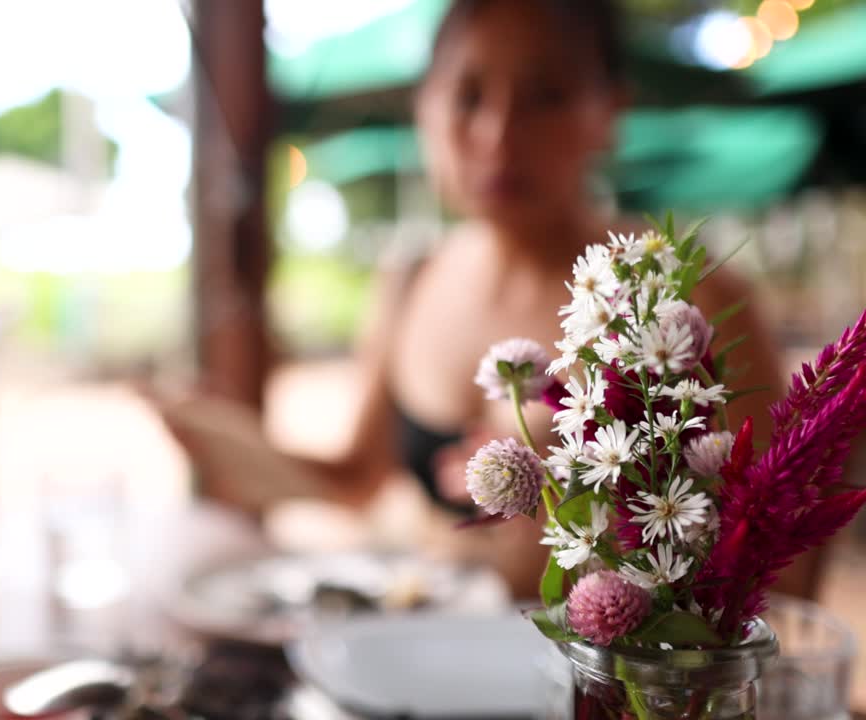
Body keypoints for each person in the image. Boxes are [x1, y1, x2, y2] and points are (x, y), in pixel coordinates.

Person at [150, 0, 808, 601]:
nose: (498, 135)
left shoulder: (682, 298)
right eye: (467, 96)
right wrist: (234, 446)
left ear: (611, 111)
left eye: (545, 96)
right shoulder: (410, 280)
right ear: (425, 111)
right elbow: (357, 480)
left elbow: (781, 541)